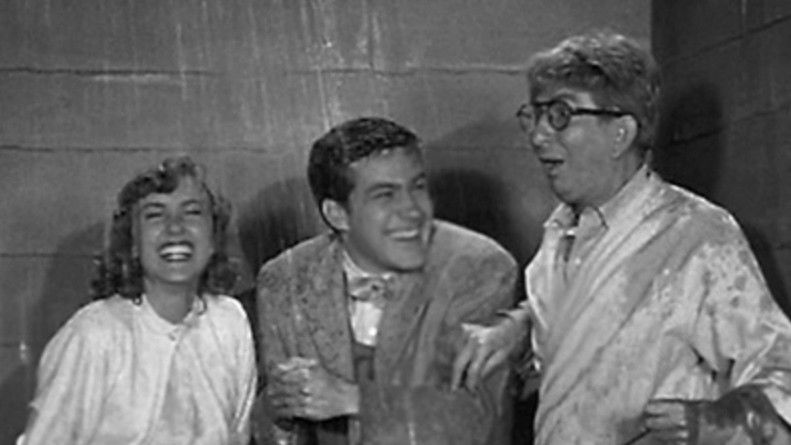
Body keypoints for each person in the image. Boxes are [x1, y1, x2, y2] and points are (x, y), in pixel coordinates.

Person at [451, 31, 791, 444]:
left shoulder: (696, 235)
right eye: (534, 115)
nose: (538, 136)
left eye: (559, 115)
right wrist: (516, 331)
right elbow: (589, 327)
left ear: (621, 132)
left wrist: (717, 422)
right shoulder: (560, 238)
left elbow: (780, 369)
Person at [256, 117, 517, 444]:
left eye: (417, 187)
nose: (412, 210)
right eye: (385, 195)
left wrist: (352, 400)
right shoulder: (285, 279)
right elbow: (274, 427)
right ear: (337, 214)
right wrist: (278, 411)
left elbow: (478, 417)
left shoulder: (479, 267)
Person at [19, 157, 257, 444]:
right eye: (155, 215)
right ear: (132, 243)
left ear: (213, 239)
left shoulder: (229, 322)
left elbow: (238, 435)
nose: (175, 228)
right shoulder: (92, 336)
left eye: (192, 212)